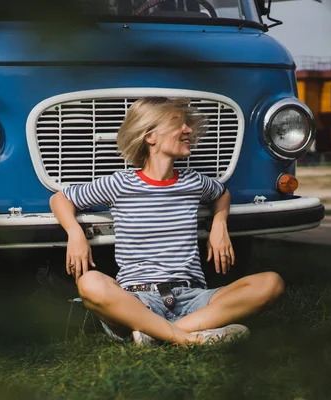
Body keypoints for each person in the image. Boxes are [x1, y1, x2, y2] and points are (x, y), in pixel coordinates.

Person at [50, 97, 285, 346]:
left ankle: (155, 334)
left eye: (187, 125)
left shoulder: (193, 182)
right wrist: (75, 235)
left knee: (271, 282)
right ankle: (189, 339)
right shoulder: (120, 184)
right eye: (178, 124)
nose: (188, 131)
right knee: (89, 283)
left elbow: (221, 194)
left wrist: (219, 224)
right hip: (138, 300)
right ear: (150, 137)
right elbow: (60, 199)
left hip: (193, 297)